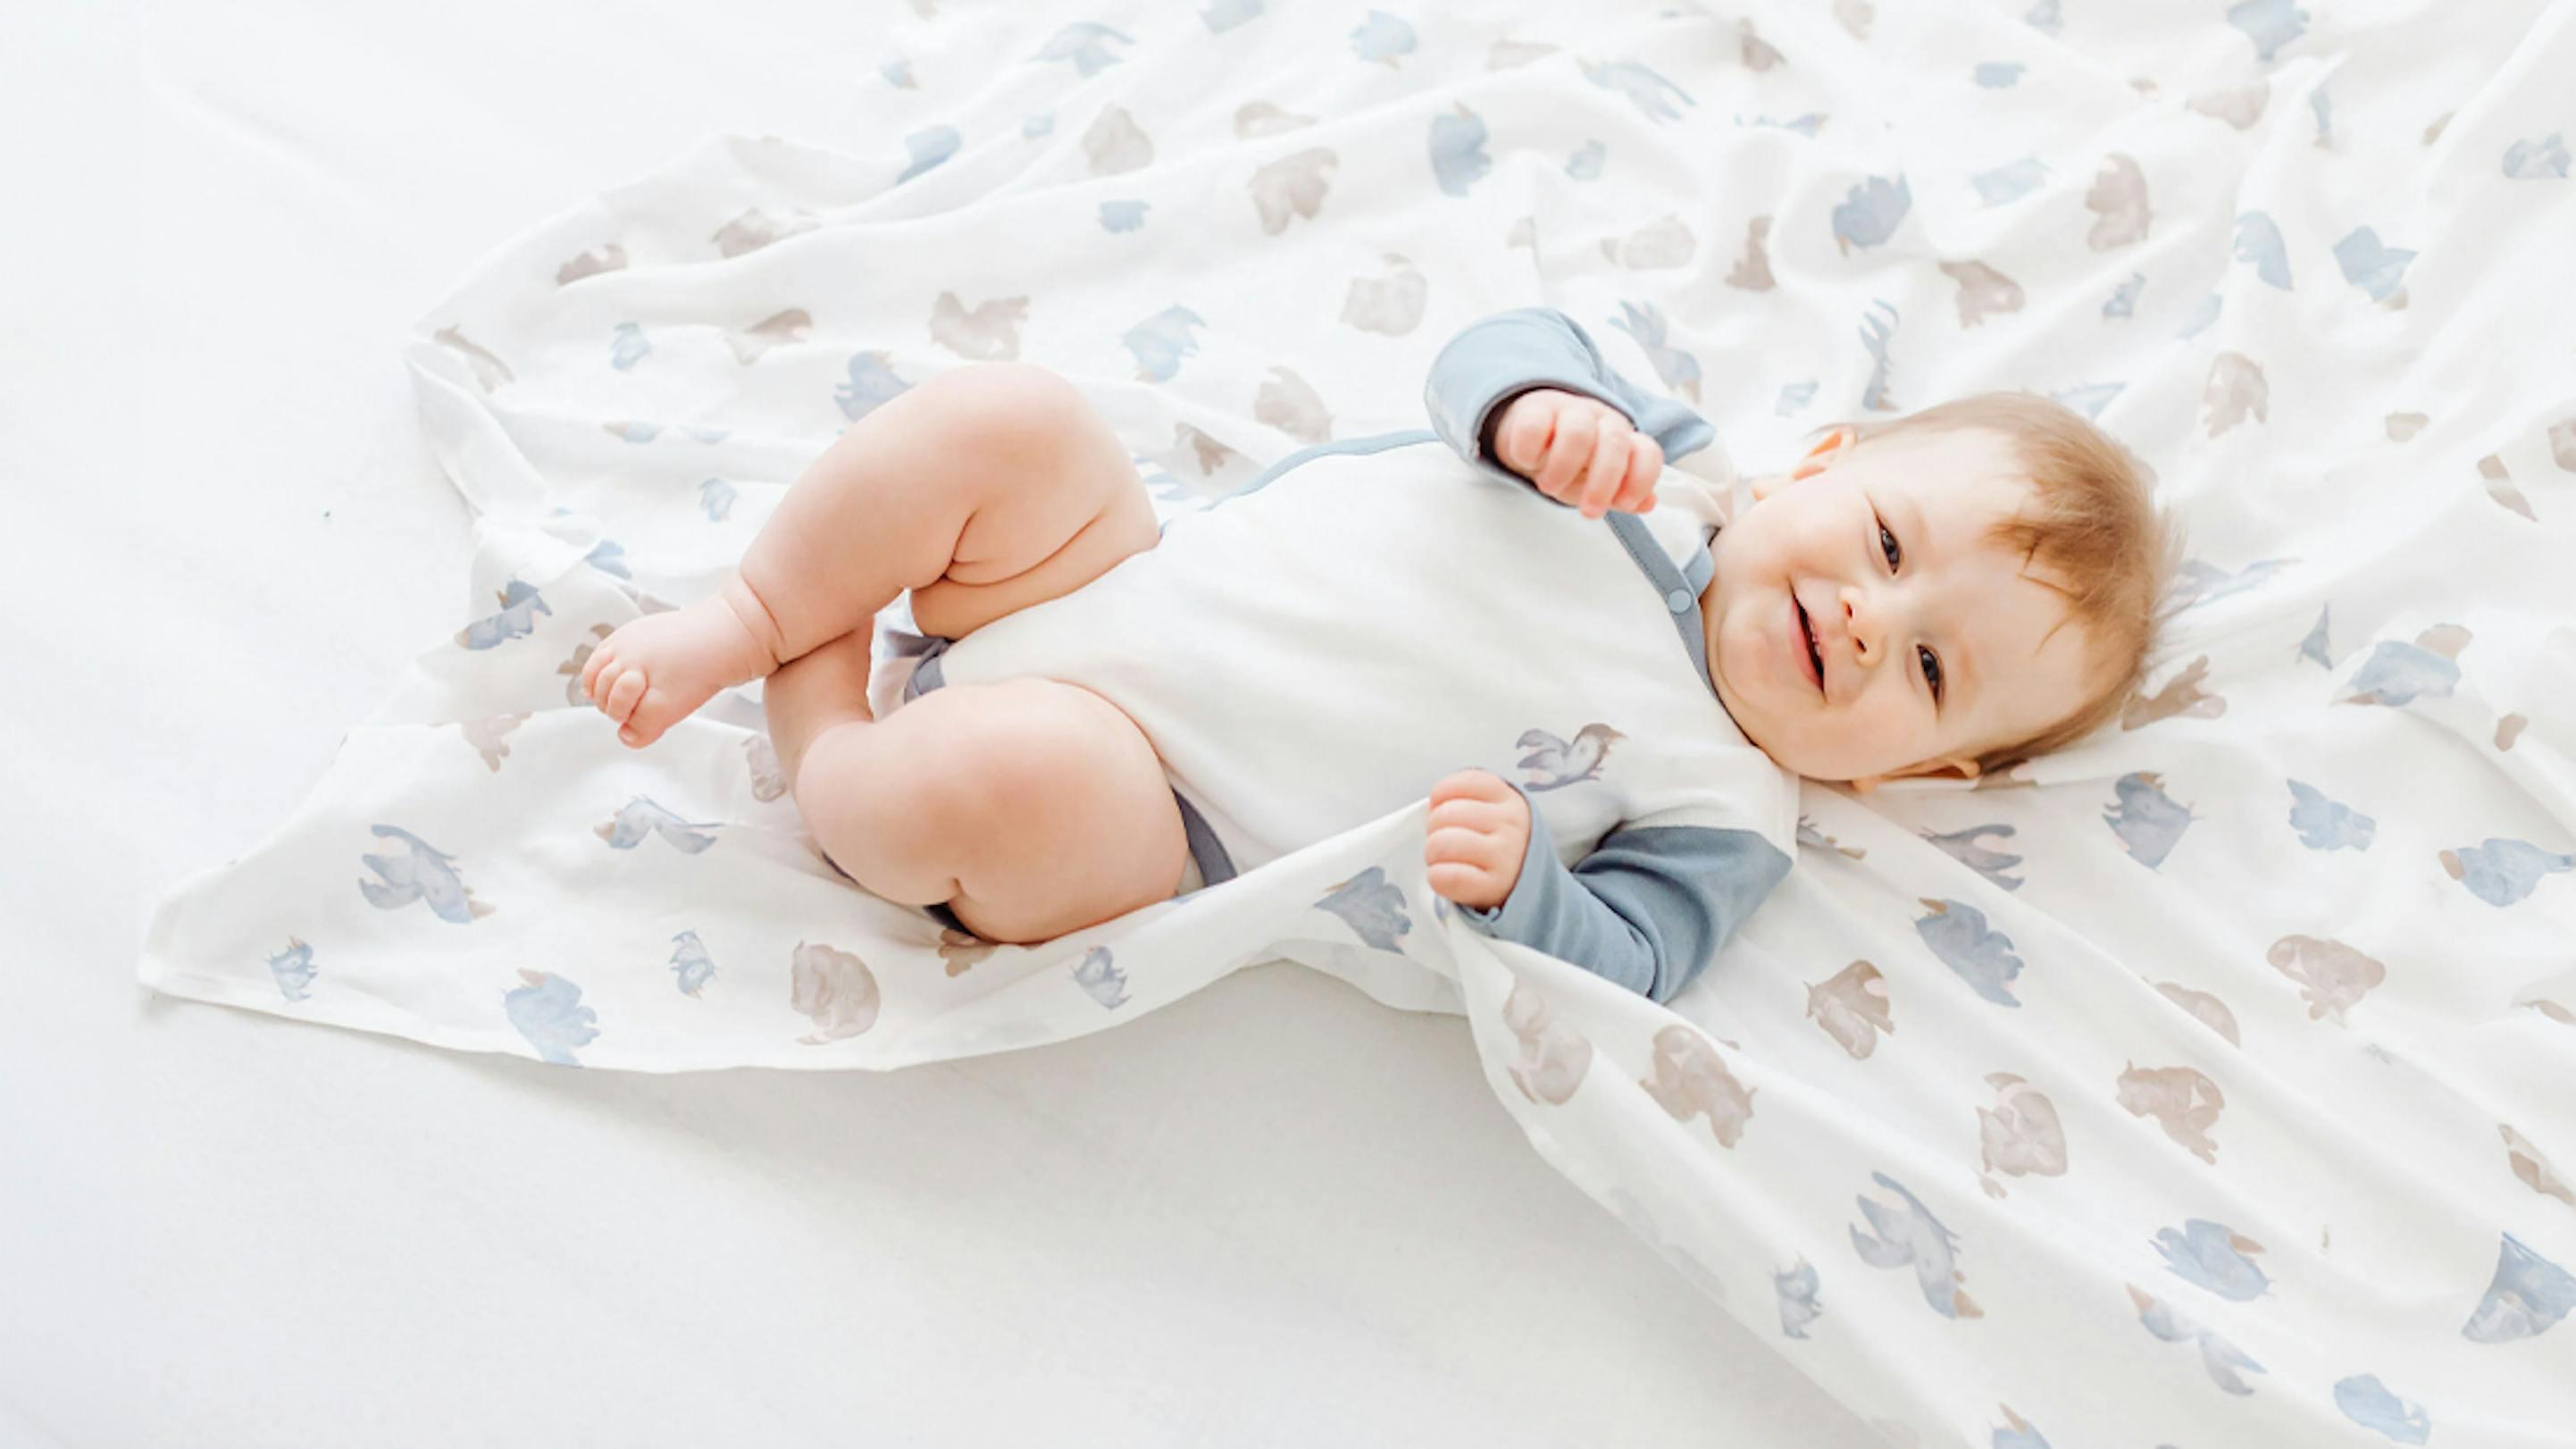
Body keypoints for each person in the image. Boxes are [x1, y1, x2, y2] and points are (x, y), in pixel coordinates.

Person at [578, 306, 2179, 1002]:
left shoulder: (1731, 806)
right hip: (1115, 571)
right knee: (1015, 417)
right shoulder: (1652, 463)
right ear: (1820, 461)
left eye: (1930, 673)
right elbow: (1496, 350)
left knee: (1006, 775)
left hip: (1159, 805)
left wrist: (1523, 888)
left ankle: (830, 739)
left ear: (1928, 770)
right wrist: (1537, 411)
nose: (1866, 620)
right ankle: (760, 613)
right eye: (1889, 547)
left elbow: (1633, 963)